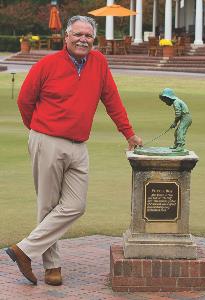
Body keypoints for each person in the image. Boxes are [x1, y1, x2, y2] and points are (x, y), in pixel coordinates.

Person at [5, 16, 142, 286]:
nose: (83, 40)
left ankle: (24, 250)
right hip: (47, 139)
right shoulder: (47, 65)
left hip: (79, 144)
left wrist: (128, 132)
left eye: (88, 36)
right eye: (78, 34)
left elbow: (112, 99)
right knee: (47, 205)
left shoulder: (100, 63)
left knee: (75, 205)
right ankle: (52, 266)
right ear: (66, 37)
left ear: (94, 39)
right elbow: (25, 101)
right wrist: (38, 131)